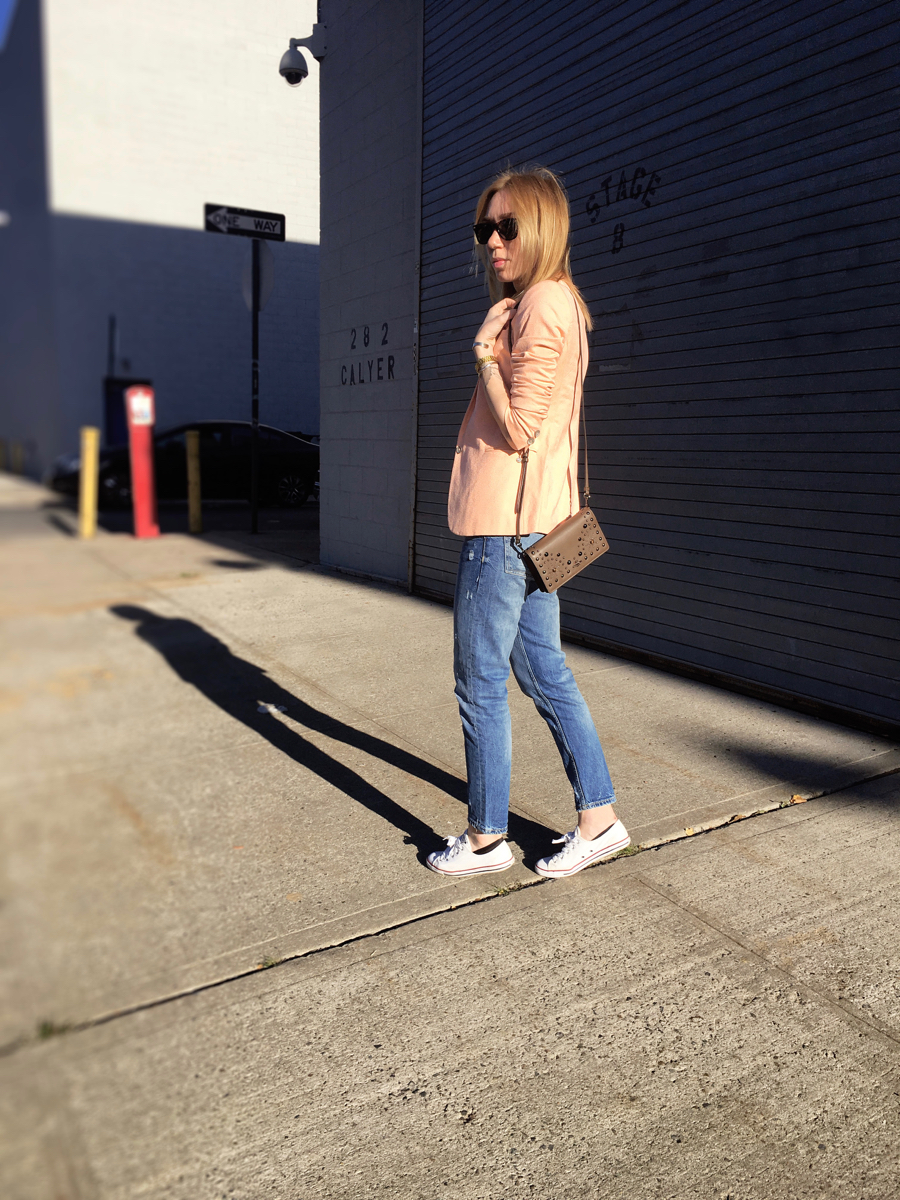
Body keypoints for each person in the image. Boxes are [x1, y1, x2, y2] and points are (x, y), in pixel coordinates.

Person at [425, 167, 630, 881]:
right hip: (546, 523)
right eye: (485, 228)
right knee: (542, 666)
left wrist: (484, 355)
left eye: (506, 227)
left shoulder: (541, 304)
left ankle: (485, 840)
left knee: (478, 678)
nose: (492, 241)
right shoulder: (556, 302)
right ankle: (598, 819)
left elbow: (518, 429)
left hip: (507, 526)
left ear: (540, 227)